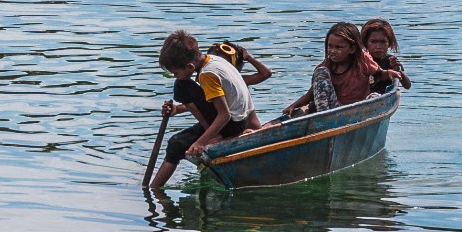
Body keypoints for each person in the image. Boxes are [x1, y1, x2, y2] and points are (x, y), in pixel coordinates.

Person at [150, 30, 262, 189]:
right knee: (183, 87)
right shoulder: (213, 60)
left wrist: (201, 142)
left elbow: (224, 114)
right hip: (240, 120)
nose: (175, 76)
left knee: (176, 143)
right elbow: (209, 101)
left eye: (176, 72)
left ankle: (154, 189)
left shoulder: (207, 75)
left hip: (230, 124)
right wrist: (177, 109)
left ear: (189, 66)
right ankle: (212, 132)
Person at [283, 21, 388, 118]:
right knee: (320, 72)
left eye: (339, 47)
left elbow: (380, 74)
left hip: (359, 110)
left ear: (352, 49)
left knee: (376, 97)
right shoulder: (326, 66)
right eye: (330, 46)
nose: (333, 51)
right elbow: (312, 93)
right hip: (335, 111)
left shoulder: (363, 61)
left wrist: (391, 73)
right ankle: (323, 117)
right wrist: (294, 105)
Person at [361, 19, 411, 90]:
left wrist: (398, 70)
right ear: (366, 43)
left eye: (383, 42)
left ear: (389, 43)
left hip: (384, 95)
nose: (378, 46)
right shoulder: (361, 61)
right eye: (373, 42)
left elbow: (407, 86)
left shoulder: (390, 61)